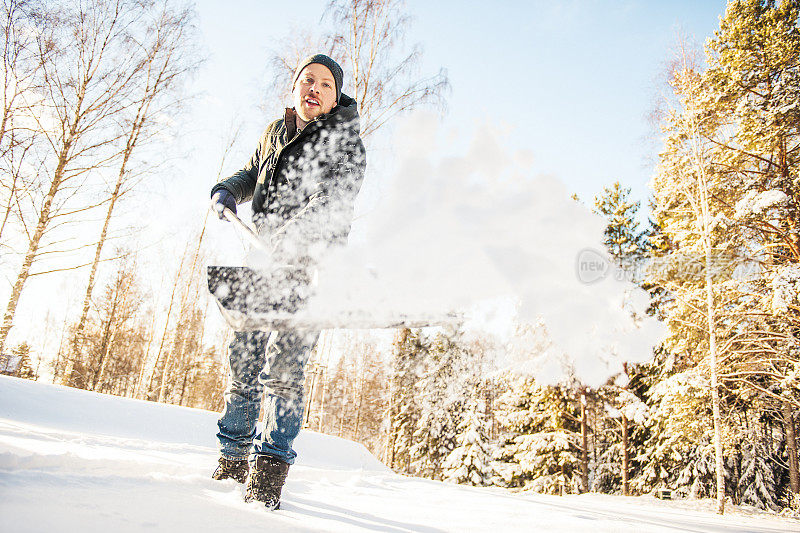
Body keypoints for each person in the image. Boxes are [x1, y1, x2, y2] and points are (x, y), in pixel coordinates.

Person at [209, 54, 366, 510]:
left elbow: (330, 203)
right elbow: (251, 171)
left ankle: (268, 474)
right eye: (306, 80)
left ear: (336, 97)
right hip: (261, 259)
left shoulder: (345, 143)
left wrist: (289, 238)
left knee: (284, 373)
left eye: (325, 85)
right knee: (243, 364)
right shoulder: (274, 132)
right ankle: (232, 459)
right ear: (294, 88)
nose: (313, 88)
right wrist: (228, 190)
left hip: (310, 268)